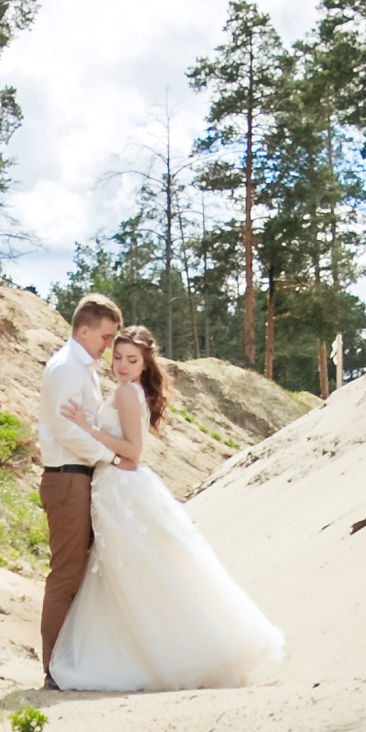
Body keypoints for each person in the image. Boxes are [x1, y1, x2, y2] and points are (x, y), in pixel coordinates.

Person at [47, 326, 286, 695]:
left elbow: (132, 451)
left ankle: (174, 654)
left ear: (145, 364)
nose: (122, 365)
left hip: (122, 490)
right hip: (115, 488)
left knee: (141, 574)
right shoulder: (127, 390)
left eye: (132, 360)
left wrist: (87, 428)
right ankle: (139, 653)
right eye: (118, 357)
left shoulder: (127, 393)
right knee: (129, 575)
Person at [36, 291, 124, 684]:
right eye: (105, 337)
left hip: (80, 478)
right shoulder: (66, 368)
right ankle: (54, 669)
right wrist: (111, 457)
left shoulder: (82, 367)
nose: (109, 345)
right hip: (67, 478)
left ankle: (72, 661)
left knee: (81, 573)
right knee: (67, 575)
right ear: (84, 330)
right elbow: (65, 431)